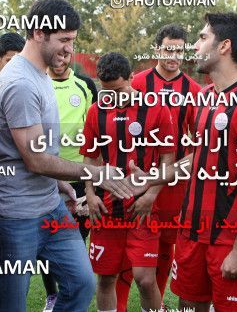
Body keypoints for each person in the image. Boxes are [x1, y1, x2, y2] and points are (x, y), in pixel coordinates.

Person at [0, 0, 132, 312]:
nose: (69, 49)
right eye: (64, 40)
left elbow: (38, 152)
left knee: (81, 283)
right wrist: (97, 173)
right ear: (39, 33)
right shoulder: (21, 82)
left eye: (72, 41)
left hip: (49, 204)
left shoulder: (41, 75)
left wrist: (58, 183)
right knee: (10, 305)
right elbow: (36, 159)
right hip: (15, 215)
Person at [127, 12, 237, 311]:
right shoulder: (207, 97)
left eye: (201, 38)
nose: (194, 46)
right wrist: (154, 178)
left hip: (229, 239)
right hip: (192, 232)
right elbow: (199, 156)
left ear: (223, 46)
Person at [80, 51, 175, 312]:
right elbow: (91, 158)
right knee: (106, 278)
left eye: (119, 90)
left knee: (145, 280)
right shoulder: (95, 111)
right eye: (107, 91)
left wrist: (150, 196)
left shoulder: (156, 108)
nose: (113, 97)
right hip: (107, 209)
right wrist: (90, 193)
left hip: (143, 208)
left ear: (132, 78)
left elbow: (168, 160)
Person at [115, 23, 201, 311]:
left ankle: (155, 305)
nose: (173, 55)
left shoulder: (194, 91)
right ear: (157, 49)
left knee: (165, 246)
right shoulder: (137, 83)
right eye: (168, 49)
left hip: (174, 183)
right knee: (131, 247)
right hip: (136, 181)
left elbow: (197, 145)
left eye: (179, 50)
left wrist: (158, 185)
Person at [41, 52, 98, 311]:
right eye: (57, 54)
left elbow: (96, 124)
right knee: (49, 235)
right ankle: (51, 294)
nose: (61, 59)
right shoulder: (39, 82)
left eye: (66, 54)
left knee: (77, 234)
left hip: (80, 171)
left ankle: (74, 286)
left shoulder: (85, 85)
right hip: (48, 171)